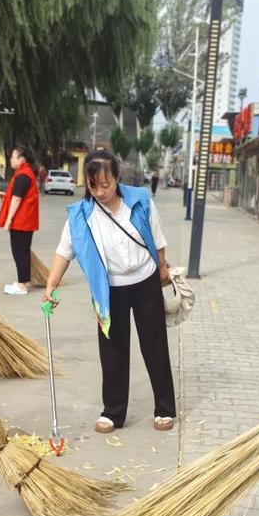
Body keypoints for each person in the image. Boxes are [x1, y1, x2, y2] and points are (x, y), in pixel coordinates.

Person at [42, 149, 176, 433]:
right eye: (93, 185)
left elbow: (158, 239)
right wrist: (51, 285)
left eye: (106, 184)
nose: (100, 192)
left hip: (145, 281)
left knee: (154, 345)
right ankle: (113, 412)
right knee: (112, 350)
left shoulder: (140, 201)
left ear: (117, 178)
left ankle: (164, 408)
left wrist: (163, 268)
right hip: (109, 289)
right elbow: (64, 252)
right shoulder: (81, 215)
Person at [0, 146, 40, 295]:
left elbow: (17, 199)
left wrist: (9, 220)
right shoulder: (25, 174)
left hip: (21, 221)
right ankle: (24, 281)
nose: (10, 159)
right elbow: (16, 195)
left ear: (21, 159)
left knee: (19, 252)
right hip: (26, 220)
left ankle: (21, 286)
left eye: (13, 157)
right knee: (23, 252)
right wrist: (5, 195)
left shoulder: (22, 176)